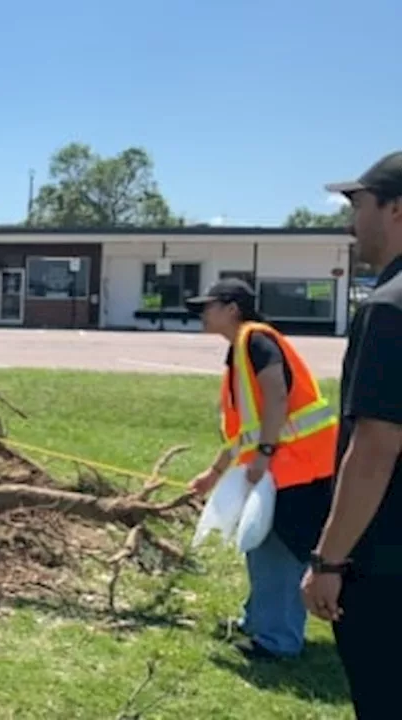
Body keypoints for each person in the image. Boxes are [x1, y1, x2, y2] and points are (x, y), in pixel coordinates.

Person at [185, 278, 337, 661]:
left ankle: (278, 641)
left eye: (208, 306)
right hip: (286, 465)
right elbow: (244, 434)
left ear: (232, 308)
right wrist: (213, 474)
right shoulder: (241, 349)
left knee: (278, 550)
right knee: (261, 547)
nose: (203, 314)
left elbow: (277, 395)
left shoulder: (255, 340)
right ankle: (260, 622)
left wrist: (266, 454)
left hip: (299, 466)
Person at [302, 151, 403, 718]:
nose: (350, 220)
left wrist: (328, 562)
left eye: (357, 203)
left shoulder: (390, 308)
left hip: (388, 565)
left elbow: (376, 448)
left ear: (396, 209)